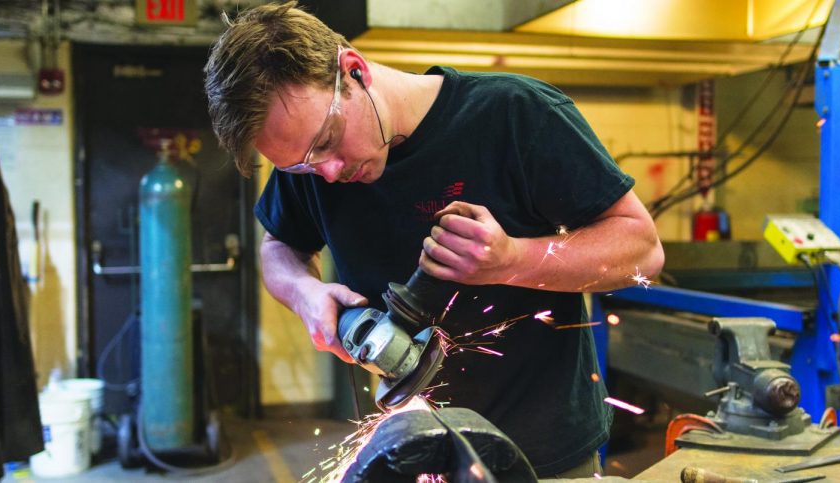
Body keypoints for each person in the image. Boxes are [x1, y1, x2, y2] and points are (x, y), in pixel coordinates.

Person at [204, 1, 664, 478]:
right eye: (300, 166)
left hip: (543, 458)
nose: (329, 172)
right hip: (413, 450)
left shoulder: (515, 115)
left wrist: (512, 259)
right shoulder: (310, 155)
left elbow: (644, 250)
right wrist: (304, 293)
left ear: (354, 71)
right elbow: (279, 248)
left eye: (328, 140)